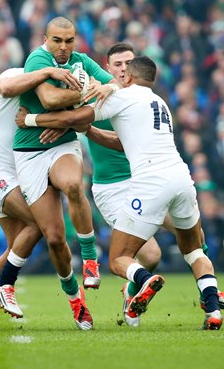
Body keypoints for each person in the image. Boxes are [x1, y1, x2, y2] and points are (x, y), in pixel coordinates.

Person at [16, 56, 223, 330]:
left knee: (117, 259)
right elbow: (120, 141)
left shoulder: (124, 97)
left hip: (151, 183)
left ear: (129, 77)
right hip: (182, 178)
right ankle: (213, 310)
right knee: (194, 249)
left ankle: (143, 279)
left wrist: (31, 119)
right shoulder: (159, 102)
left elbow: (75, 117)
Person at [0, 66, 94, 331]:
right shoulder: (16, 74)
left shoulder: (54, 95)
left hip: (22, 173)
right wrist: (47, 72)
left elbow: (80, 122)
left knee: (19, 246)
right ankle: (4, 285)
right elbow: (6, 88)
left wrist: (64, 120)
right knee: (40, 225)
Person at [12, 16, 120, 293]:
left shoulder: (82, 60)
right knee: (55, 239)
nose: (63, 47)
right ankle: (75, 297)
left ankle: (90, 258)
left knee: (74, 184)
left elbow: (119, 86)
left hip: (63, 143)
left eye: (69, 41)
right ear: (45, 39)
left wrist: (107, 87)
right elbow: (49, 99)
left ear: (75, 40)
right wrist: (87, 92)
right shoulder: (37, 60)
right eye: (57, 40)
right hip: (30, 150)